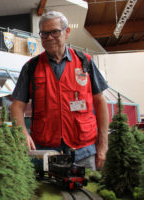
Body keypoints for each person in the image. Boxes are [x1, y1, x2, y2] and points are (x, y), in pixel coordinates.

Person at [10, 11, 109, 170]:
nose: (49, 37)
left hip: (84, 151)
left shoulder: (85, 62)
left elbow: (100, 102)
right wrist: (22, 131)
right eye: (44, 34)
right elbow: (16, 106)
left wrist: (103, 144)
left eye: (54, 32)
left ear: (67, 32)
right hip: (44, 150)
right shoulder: (31, 67)